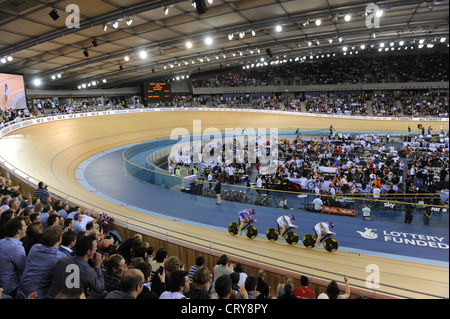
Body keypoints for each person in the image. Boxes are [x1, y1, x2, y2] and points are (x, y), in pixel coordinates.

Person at [47, 234, 106, 299]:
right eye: (95, 247)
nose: (96, 249)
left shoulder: (62, 261)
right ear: (88, 251)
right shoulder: (89, 270)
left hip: (54, 296)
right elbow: (100, 288)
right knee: (105, 293)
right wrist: (97, 266)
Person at [16, 225, 66, 299]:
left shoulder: (35, 247)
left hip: (21, 291)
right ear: (60, 239)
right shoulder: (61, 257)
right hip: (36, 295)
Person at [0, 217, 27, 298]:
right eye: (25, 225)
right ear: (19, 231)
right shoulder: (17, 248)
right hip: (9, 289)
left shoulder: (1, 242)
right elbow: (24, 269)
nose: (27, 227)